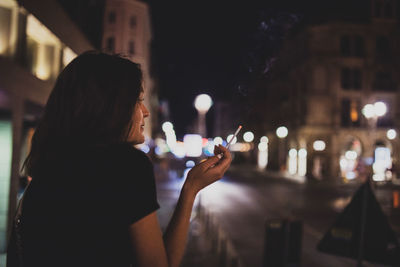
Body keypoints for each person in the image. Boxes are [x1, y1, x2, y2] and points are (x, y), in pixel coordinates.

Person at [7, 51, 231, 267]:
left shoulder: (45, 174)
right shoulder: (126, 166)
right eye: (138, 100)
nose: (145, 111)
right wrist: (191, 188)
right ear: (111, 106)